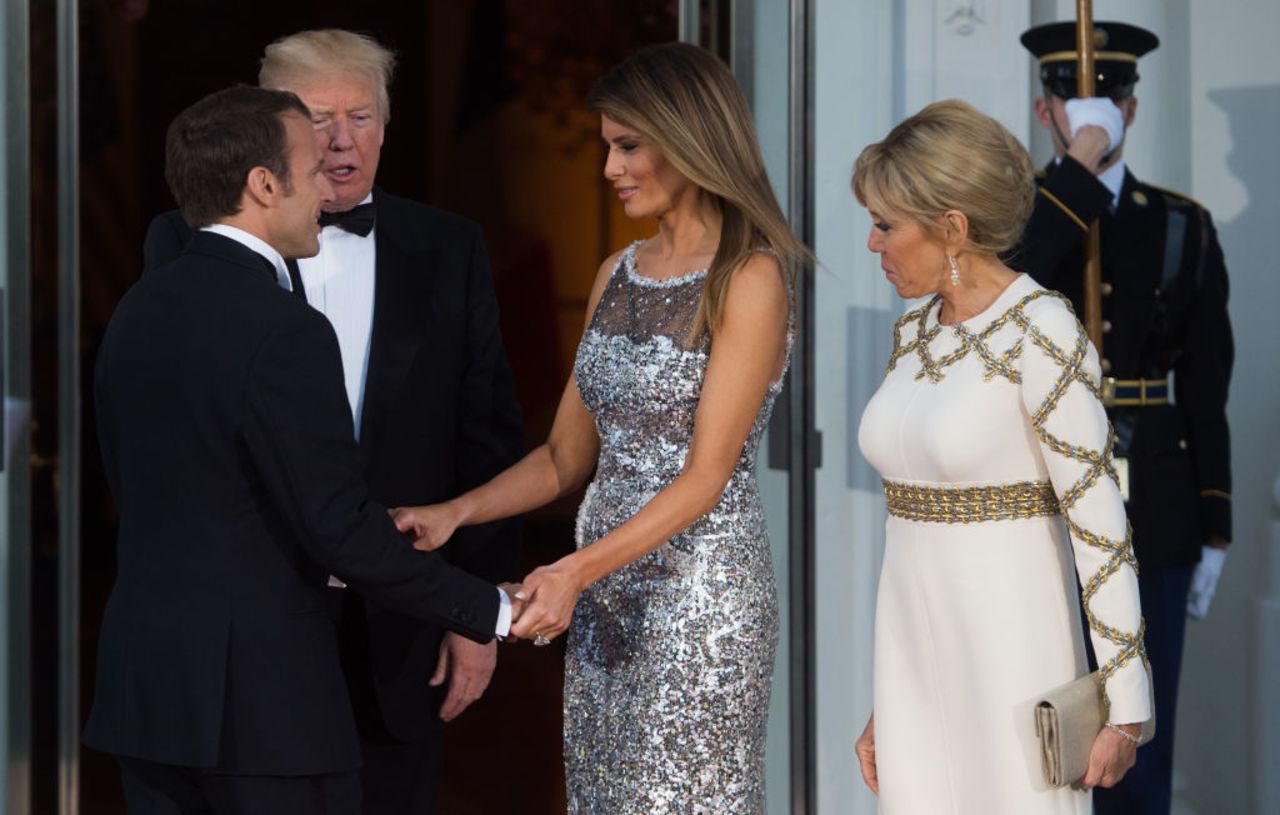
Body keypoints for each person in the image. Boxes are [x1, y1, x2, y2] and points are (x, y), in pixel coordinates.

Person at [392, 42, 808, 812]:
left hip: (701, 601)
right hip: (604, 601)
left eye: (627, 146)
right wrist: (456, 511)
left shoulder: (750, 276)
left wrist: (574, 571)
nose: (610, 168)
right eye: (607, 147)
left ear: (689, 139)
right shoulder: (616, 271)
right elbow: (561, 458)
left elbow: (707, 474)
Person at [84, 85, 522, 814]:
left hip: (150, 696)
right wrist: (493, 608)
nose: (329, 186)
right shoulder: (286, 327)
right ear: (263, 184)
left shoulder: (137, 306)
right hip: (264, 713)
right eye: (313, 167)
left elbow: (134, 483)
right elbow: (336, 524)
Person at [850, 99, 1152, 813]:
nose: (873, 244)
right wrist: (883, 704)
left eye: (886, 224)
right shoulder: (915, 329)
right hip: (913, 665)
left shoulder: (1044, 330)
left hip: (1015, 656)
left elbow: (1100, 527)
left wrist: (1126, 708)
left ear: (951, 227)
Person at [1014, 22, 1233, 815]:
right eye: (1075, 99)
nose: (1094, 113)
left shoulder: (1181, 224)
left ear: (1133, 109)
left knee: (1138, 729)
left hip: (1158, 496)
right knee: (1042, 718)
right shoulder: (1017, 219)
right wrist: (1073, 177)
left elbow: (1207, 378)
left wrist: (1216, 522)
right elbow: (1010, 295)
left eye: (1108, 97)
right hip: (1039, 488)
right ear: (1047, 114)